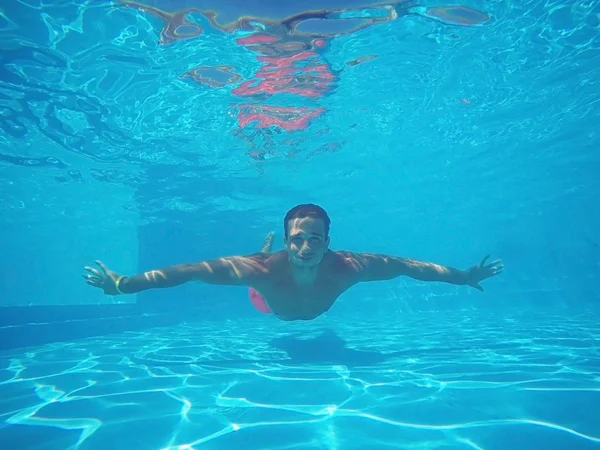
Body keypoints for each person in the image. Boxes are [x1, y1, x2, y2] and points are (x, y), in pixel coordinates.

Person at [83, 204, 503, 321]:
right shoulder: (262, 271)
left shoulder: (350, 266)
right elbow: (188, 272)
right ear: (288, 240)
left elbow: (409, 266)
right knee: (253, 272)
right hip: (267, 301)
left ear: (327, 241)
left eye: (315, 238)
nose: (306, 246)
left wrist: (464, 277)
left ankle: (259, 246)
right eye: (297, 238)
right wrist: (124, 284)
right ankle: (259, 248)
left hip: (310, 304)